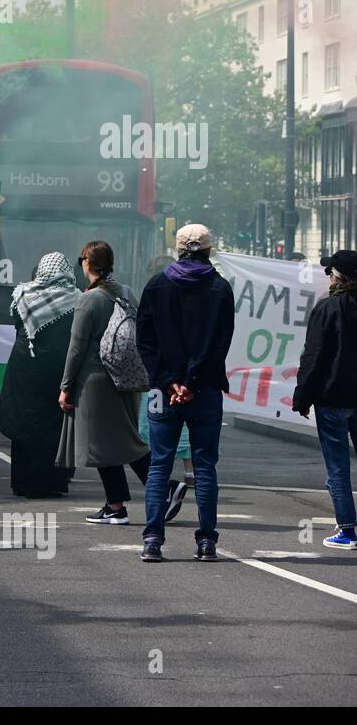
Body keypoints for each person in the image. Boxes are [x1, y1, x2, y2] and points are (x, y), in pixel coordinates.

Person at [136, 225, 234, 562]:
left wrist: (169, 381)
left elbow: (145, 342)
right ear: (209, 250)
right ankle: (206, 542)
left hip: (165, 391)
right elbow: (219, 345)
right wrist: (191, 383)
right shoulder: (220, 289)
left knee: (159, 466)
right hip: (204, 389)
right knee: (205, 465)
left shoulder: (157, 285)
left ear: (178, 250)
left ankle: (152, 540)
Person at [57, 240, 151, 526]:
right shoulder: (127, 292)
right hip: (126, 376)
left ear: (88, 263)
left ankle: (161, 489)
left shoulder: (89, 299)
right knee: (118, 439)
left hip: (97, 381)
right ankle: (116, 504)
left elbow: (77, 348)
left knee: (103, 442)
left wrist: (65, 386)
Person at [0, 253, 79, 498]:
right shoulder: (76, 299)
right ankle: (53, 481)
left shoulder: (23, 295)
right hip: (58, 369)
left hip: (24, 368)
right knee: (54, 425)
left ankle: (22, 482)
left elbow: (17, 326)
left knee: (25, 423)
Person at [293, 249, 357, 550]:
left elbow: (314, 356)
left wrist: (302, 396)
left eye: (330, 272)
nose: (327, 276)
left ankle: (347, 528)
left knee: (338, 466)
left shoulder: (327, 308)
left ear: (339, 277)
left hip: (333, 397)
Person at [137, 254, 195, 520]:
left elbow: (146, 340)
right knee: (189, 432)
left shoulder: (152, 293)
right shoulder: (199, 294)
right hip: (190, 380)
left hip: (160, 380)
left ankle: (153, 534)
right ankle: (206, 537)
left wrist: (164, 377)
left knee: (157, 448)